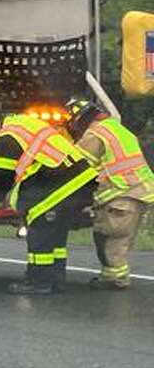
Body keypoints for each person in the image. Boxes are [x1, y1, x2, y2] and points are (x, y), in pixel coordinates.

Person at [0, 106, 98, 295]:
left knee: (39, 228)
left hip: (61, 182)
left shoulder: (6, 135)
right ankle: (57, 279)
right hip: (82, 181)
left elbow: (3, 176)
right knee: (56, 232)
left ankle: (38, 282)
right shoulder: (26, 123)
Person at [66, 98, 154, 290]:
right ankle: (112, 277)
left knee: (110, 239)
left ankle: (116, 279)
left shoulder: (95, 134)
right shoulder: (117, 129)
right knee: (118, 240)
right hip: (140, 193)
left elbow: (77, 166)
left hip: (121, 194)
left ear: (79, 120)